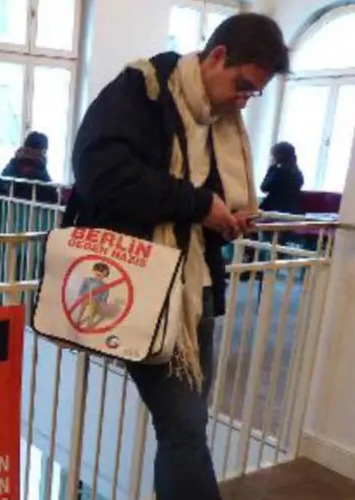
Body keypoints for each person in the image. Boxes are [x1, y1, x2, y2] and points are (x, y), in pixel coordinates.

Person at [62, 13, 289, 500]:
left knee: (186, 426)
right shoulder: (143, 89)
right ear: (217, 56)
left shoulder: (215, 119)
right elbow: (98, 171)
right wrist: (199, 205)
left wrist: (226, 215)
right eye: (243, 85)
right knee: (185, 428)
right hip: (139, 282)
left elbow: (201, 200)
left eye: (255, 94)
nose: (243, 101)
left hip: (192, 287)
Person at [0, 131, 60, 204]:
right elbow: (53, 195)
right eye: (44, 152)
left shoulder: (14, 162)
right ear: (37, 150)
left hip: (4, 206)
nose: (44, 155)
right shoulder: (35, 168)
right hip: (26, 209)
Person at [260, 141, 304, 214]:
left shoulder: (277, 171)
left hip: (272, 209)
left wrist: (272, 169)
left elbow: (264, 187)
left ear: (279, 156)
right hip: (292, 210)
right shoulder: (298, 173)